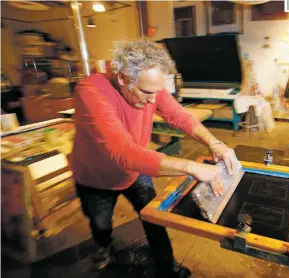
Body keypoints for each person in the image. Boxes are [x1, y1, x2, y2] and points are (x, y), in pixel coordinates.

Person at [72, 38, 237, 277]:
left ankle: (166, 266)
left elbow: (179, 116)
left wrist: (214, 142)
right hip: (97, 178)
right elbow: (122, 153)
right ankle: (104, 248)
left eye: (157, 92)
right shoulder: (91, 91)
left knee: (155, 219)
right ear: (123, 79)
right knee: (101, 224)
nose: (153, 100)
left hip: (137, 170)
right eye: (147, 93)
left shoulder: (149, 86)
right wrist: (191, 167)